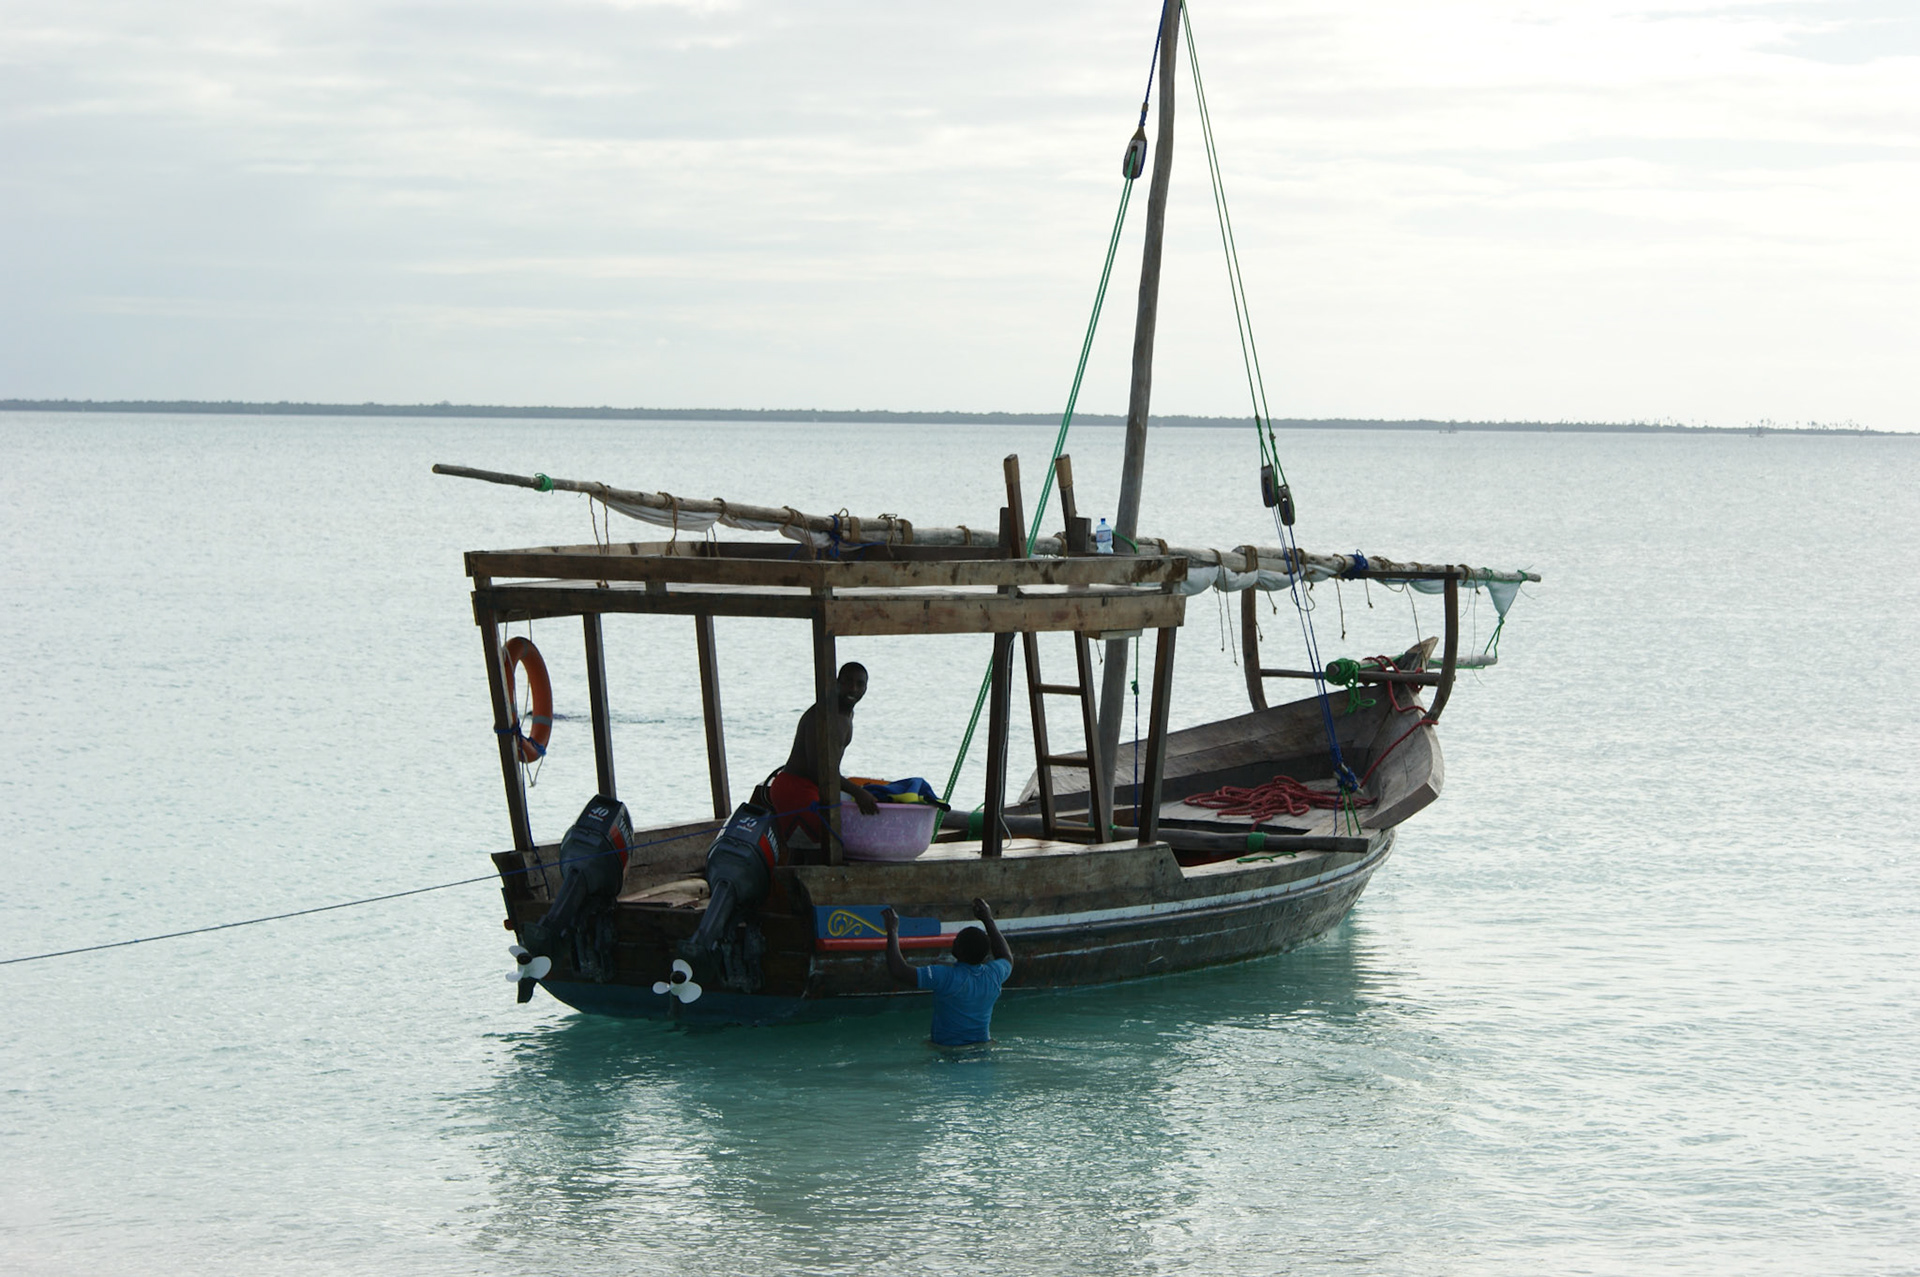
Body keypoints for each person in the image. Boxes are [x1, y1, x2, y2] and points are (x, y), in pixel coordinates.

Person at [768, 661, 878, 847]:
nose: (853, 688)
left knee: (811, 851)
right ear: (837, 683)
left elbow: (828, 771)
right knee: (821, 850)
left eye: (860, 684)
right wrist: (858, 792)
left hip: (812, 787)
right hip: (796, 789)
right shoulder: (825, 716)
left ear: (866, 688)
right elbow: (819, 772)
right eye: (847, 682)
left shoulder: (847, 714)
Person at [881, 898, 1013, 1046]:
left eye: (956, 940)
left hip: (947, 1050)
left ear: (960, 950)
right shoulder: (994, 975)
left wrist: (892, 930)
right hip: (983, 1047)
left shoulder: (946, 977)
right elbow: (1006, 956)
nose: (953, 942)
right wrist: (988, 919)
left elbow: (898, 971)